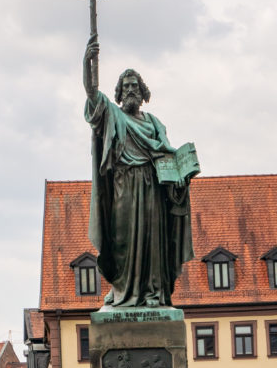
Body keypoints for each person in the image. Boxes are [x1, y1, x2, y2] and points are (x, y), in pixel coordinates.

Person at [83, 32, 196, 308]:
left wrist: (182, 177)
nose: (131, 90)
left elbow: (167, 157)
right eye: (126, 86)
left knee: (152, 245)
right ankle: (122, 289)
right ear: (119, 93)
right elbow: (92, 95)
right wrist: (88, 64)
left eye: (135, 86)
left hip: (153, 192)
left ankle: (152, 293)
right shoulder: (113, 114)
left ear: (143, 92)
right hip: (124, 188)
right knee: (124, 243)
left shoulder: (155, 123)